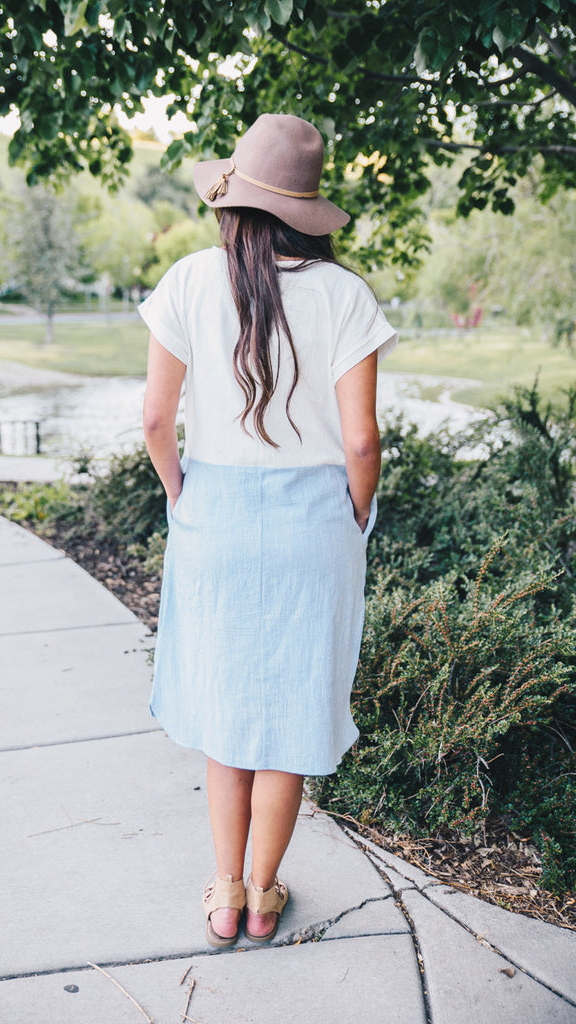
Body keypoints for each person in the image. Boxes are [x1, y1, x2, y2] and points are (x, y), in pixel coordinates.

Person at [139, 113, 397, 947]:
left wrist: (185, 497)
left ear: (234, 203)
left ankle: (220, 894)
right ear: (306, 210)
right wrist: (354, 512)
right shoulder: (346, 294)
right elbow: (363, 441)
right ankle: (260, 895)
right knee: (287, 714)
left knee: (224, 714)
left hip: (213, 517)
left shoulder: (186, 281)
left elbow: (154, 421)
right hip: (313, 526)